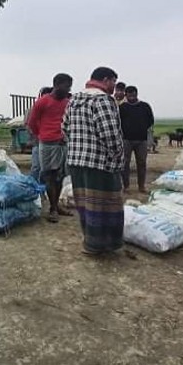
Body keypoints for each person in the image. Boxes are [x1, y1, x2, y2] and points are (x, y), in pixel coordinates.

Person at [64, 67, 125, 256]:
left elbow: (64, 127)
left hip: (76, 162)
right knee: (105, 205)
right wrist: (117, 157)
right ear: (106, 80)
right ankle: (104, 245)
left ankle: (90, 242)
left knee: (86, 204)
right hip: (100, 164)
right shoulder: (103, 100)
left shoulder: (74, 99)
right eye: (114, 81)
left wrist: (77, 147)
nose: (115, 86)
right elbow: (110, 135)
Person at [26, 74, 73, 222]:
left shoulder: (68, 103)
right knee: (49, 175)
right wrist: (43, 135)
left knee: (60, 176)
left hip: (63, 143)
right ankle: (52, 208)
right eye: (66, 86)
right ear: (56, 84)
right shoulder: (42, 102)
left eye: (70, 87)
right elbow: (32, 123)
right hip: (47, 143)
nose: (68, 89)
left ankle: (56, 205)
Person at [119, 86, 155, 193]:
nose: (131, 97)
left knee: (142, 163)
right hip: (126, 140)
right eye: (129, 95)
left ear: (137, 94)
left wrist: (142, 128)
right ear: (126, 95)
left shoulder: (145, 106)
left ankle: (141, 186)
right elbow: (118, 122)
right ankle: (126, 186)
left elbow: (150, 120)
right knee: (125, 164)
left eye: (133, 94)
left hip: (141, 140)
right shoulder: (122, 107)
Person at [26, 86, 54, 183]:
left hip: (51, 143)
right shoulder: (33, 109)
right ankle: (32, 186)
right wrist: (38, 134)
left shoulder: (53, 108)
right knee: (36, 167)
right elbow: (28, 125)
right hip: (37, 143)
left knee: (47, 168)